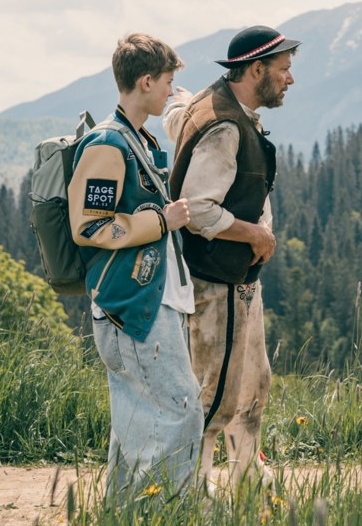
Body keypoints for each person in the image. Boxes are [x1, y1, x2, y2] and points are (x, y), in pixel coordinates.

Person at [162, 25, 297, 488]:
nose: (290, 79)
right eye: (283, 70)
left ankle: (246, 471)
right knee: (216, 388)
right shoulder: (225, 125)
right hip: (216, 279)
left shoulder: (212, 104)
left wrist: (179, 101)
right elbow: (198, 209)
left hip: (235, 279)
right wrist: (255, 235)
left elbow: (177, 117)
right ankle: (194, 483)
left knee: (253, 379)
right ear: (255, 69)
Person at [68, 32, 199, 498]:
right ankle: (165, 512)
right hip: (134, 304)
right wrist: (161, 221)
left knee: (133, 424)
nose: (169, 91)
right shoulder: (107, 145)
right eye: (166, 82)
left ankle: (124, 512)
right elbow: (89, 225)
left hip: (144, 301)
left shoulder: (135, 138)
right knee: (180, 411)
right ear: (145, 81)